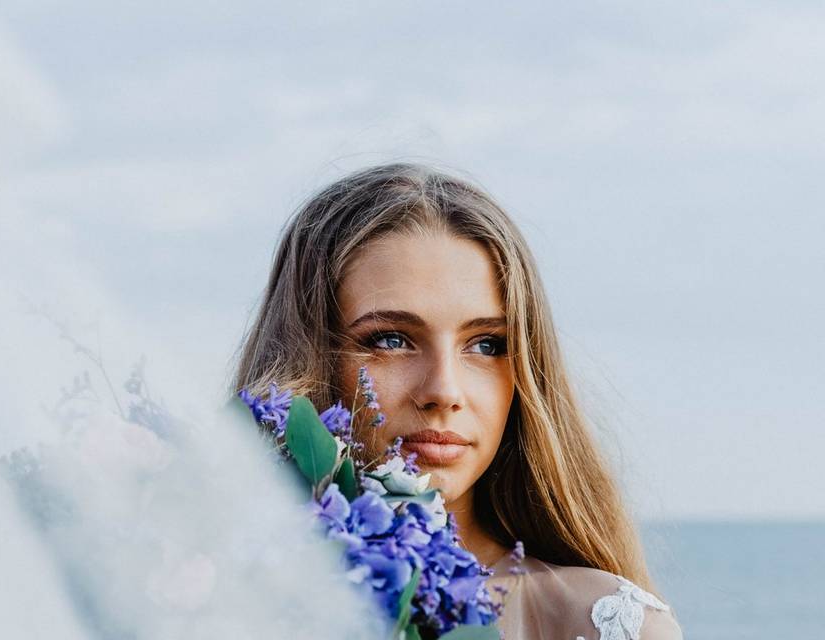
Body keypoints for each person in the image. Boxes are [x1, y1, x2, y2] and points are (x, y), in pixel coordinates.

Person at [234, 162, 683, 639]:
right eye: (390, 340)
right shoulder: (213, 593)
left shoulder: (600, 621)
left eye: (486, 345)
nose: (444, 391)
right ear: (309, 355)